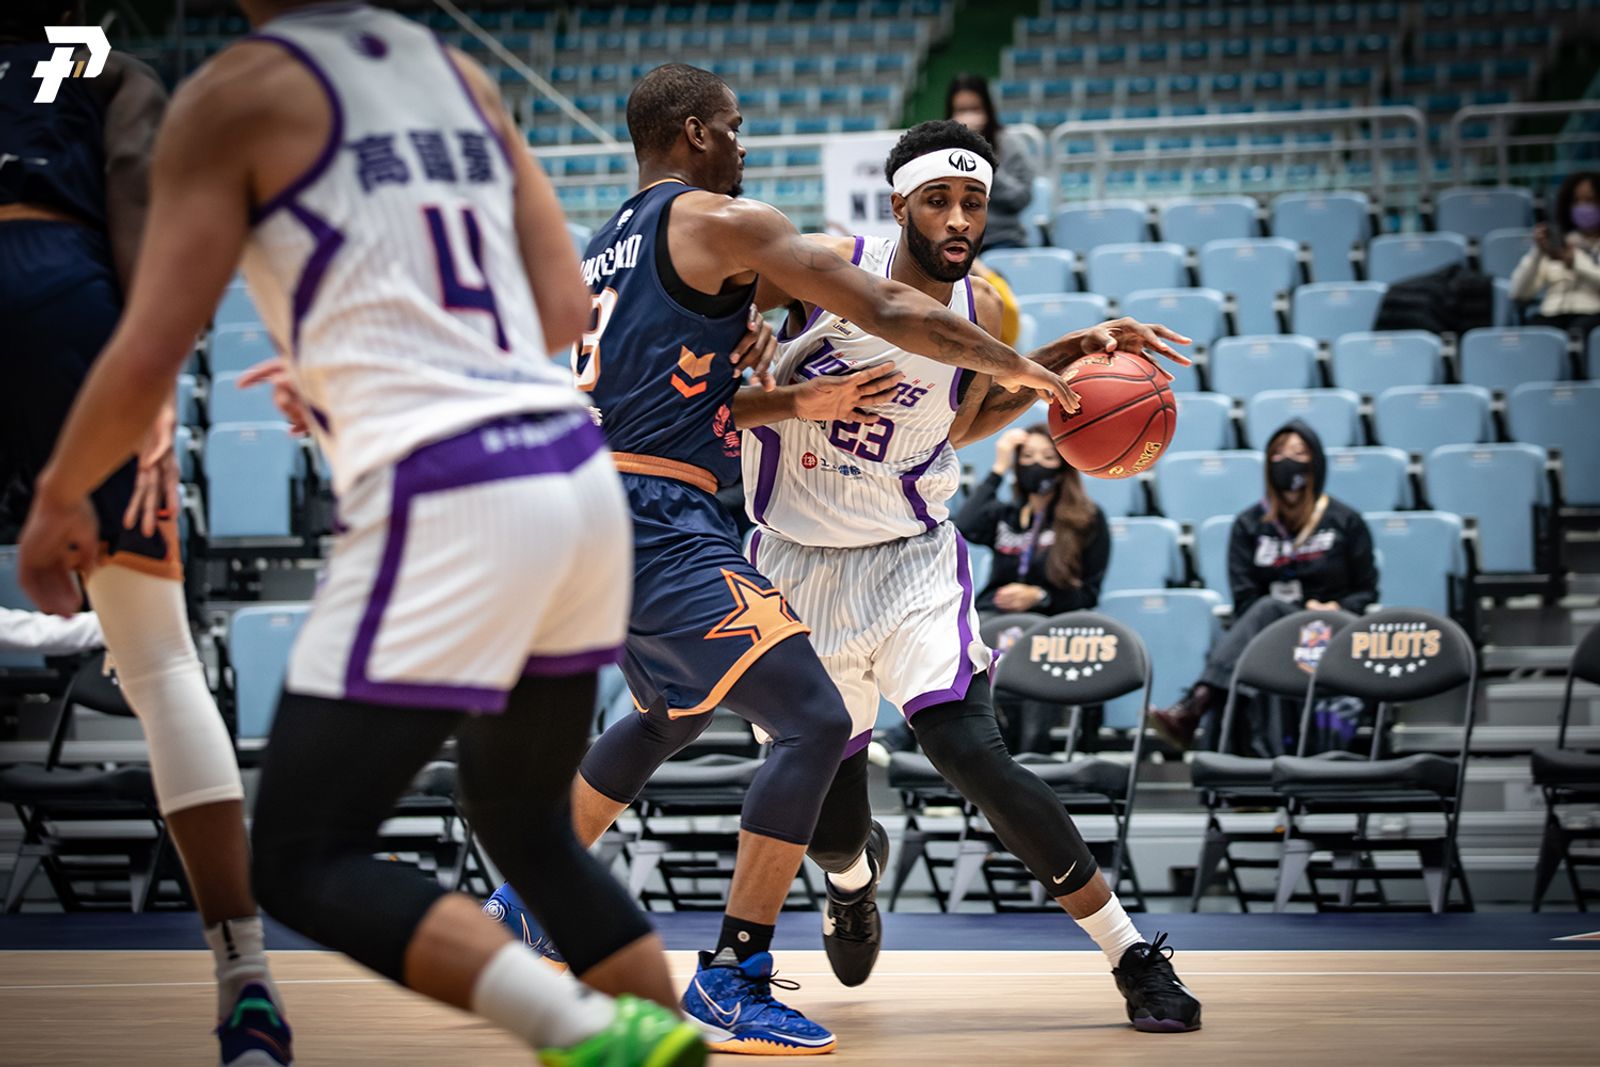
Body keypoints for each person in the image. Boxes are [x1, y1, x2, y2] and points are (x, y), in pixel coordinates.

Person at [17, 4, 706, 1065]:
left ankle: (573, 1026)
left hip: (451, 487)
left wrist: (60, 494)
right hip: (573, 473)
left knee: (301, 854)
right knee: (528, 827)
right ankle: (654, 1044)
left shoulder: (236, 92)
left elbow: (151, 343)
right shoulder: (463, 77)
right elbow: (564, 309)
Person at [481, 63, 1088, 1057]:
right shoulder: (721, 221)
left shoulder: (610, 241)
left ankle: (522, 901)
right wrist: (1021, 366)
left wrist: (784, 391)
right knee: (812, 717)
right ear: (694, 133)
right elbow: (888, 308)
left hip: (596, 507)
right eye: (732, 127)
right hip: (656, 511)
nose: (744, 144)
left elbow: (683, 386)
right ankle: (731, 975)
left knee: (669, 712)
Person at [748, 120, 1203, 1034]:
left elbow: (960, 424)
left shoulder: (984, 310)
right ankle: (854, 877)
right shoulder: (819, 268)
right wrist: (769, 375)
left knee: (972, 753)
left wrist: (1067, 356)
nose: (959, 219)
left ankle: (1130, 953)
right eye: (939, 200)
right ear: (899, 205)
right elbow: (710, 363)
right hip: (796, 565)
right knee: (830, 826)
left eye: (973, 202)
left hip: (909, 557)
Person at [1, 3, 294, 1062]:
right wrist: (149, 372)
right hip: (60, 290)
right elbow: (134, 181)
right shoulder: (106, 68)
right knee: (161, 659)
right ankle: (245, 978)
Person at [1151, 420, 1378, 751]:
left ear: (1316, 461)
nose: (1288, 461)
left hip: (1331, 630)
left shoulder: (1345, 521)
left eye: (1299, 453)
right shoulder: (1250, 524)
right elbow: (1244, 598)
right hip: (1271, 632)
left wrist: (1338, 608)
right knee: (1265, 610)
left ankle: (1197, 702)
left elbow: (1367, 590)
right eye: (1279, 454)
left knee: (1265, 612)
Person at [954, 423, 1110, 754]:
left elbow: (1089, 594)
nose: (1036, 464)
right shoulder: (1004, 515)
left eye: (1047, 457)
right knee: (957, 640)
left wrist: (1040, 596)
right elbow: (962, 527)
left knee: (1035, 650)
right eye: (1026, 457)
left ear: (1064, 465)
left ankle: (1029, 759)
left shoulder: (1087, 519)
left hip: (1051, 624)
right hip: (994, 621)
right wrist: (998, 468)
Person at [946, 73, 1036, 251]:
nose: (968, 118)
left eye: (975, 109)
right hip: (954, 240)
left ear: (987, 110)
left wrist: (983, 157)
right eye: (961, 110)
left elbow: (1020, 199)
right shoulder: (940, 149)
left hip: (1002, 240)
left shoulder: (1010, 144)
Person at [1510, 171, 1600, 338]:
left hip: (1592, 315)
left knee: (1579, 330)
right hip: (1551, 314)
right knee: (1534, 331)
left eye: (1590, 200)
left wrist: (1575, 262)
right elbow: (1518, 292)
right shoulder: (1558, 242)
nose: (1582, 207)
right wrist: (1538, 252)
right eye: (1576, 201)